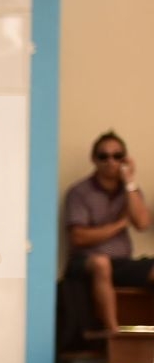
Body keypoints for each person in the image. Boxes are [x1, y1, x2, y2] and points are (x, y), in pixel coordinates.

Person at [64, 131, 153, 337]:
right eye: (103, 156)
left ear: (125, 159)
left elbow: (142, 223)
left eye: (117, 156)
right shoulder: (80, 192)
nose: (110, 161)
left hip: (121, 263)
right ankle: (114, 334)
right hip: (85, 263)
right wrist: (120, 224)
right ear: (94, 159)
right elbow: (79, 237)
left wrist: (130, 181)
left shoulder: (130, 191)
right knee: (101, 263)